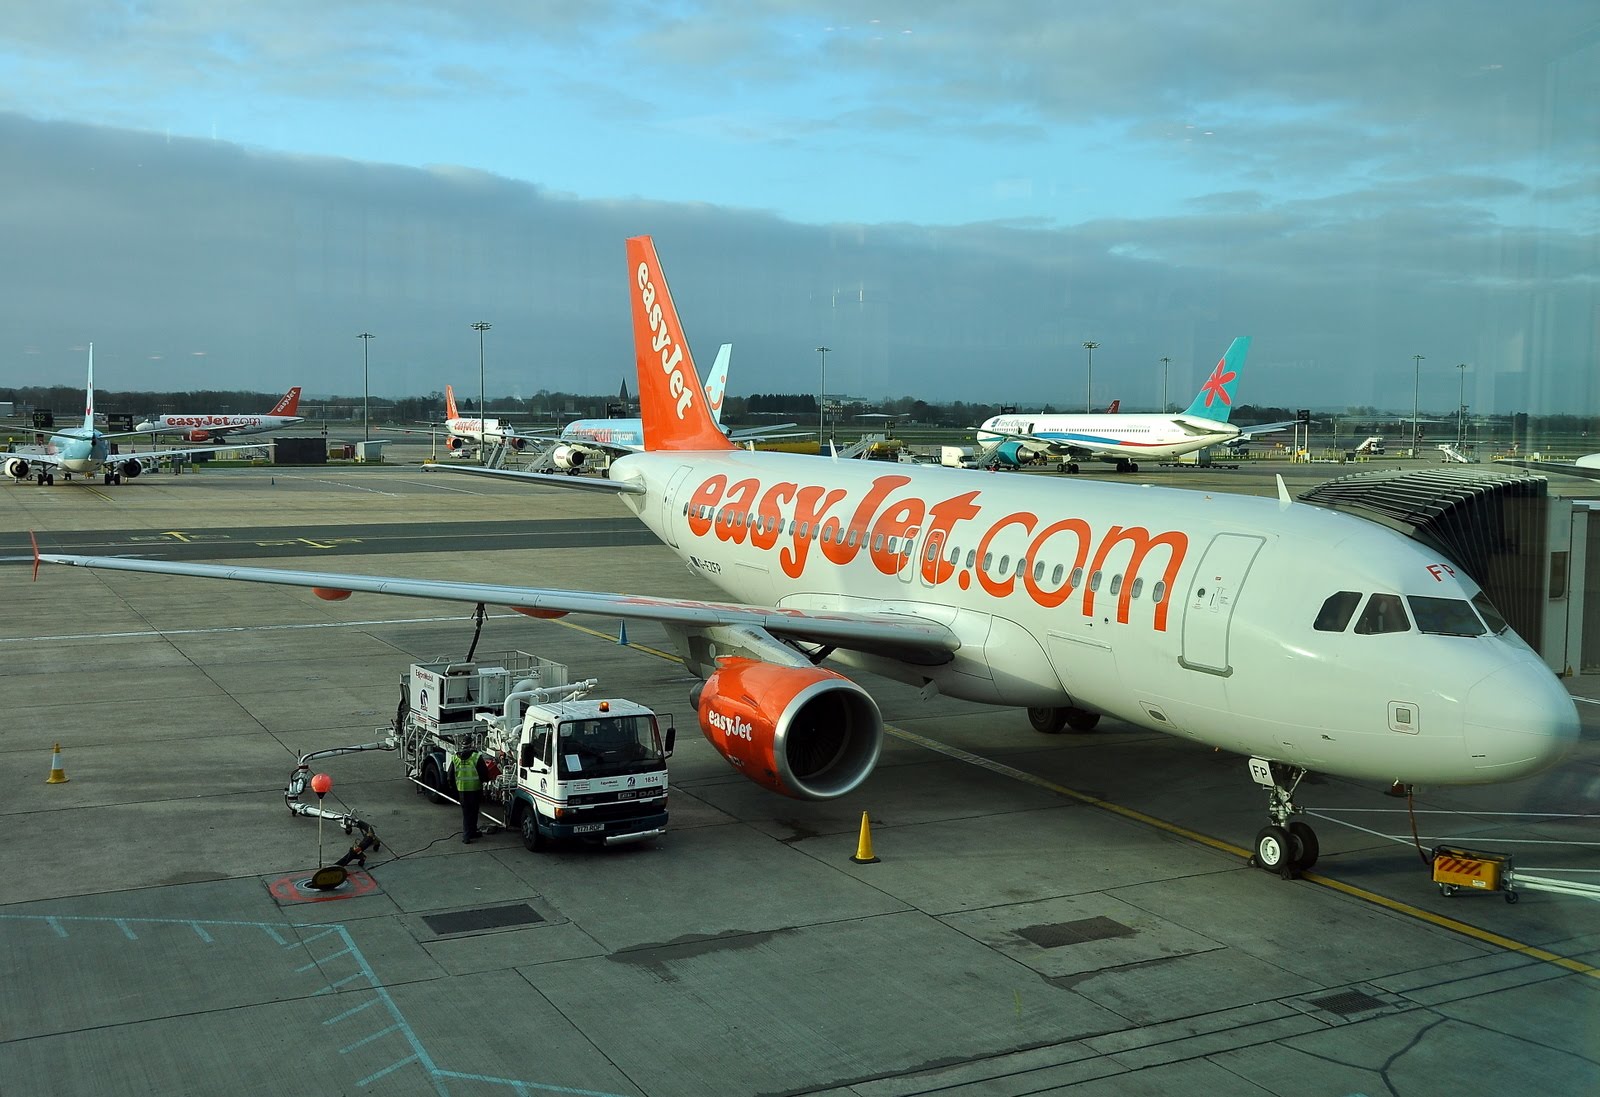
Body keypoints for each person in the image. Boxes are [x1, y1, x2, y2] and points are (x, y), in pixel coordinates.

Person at [448, 743, 487, 843]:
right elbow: (483, 773)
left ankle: (470, 833)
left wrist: (453, 787)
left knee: (466, 813)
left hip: (462, 789)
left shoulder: (455, 757)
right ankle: (467, 835)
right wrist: (485, 782)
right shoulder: (476, 756)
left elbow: (450, 775)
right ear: (472, 745)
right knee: (474, 812)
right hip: (475, 789)